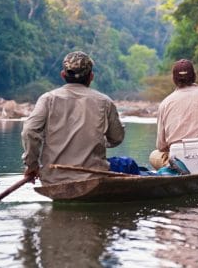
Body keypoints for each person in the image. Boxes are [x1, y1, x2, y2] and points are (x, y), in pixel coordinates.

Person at [21, 51, 125, 185]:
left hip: (52, 178)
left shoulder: (47, 99)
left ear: (63, 75)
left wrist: (32, 166)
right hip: (93, 177)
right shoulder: (105, 102)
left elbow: (29, 131)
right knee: (128, 164)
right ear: (91, 77)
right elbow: (117, 138)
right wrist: (99, 140)